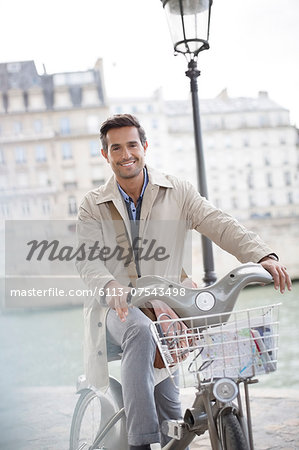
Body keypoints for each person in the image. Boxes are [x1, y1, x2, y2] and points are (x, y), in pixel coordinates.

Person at [76, 114, 292, 450]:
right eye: (115, 148)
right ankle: (140, 444)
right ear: (106, 155)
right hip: (118, 308)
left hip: (169, 306)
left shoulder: (178, 191)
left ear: (144, 147)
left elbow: (220, 224)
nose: (125, 154)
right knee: (139, 330)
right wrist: (109, 285)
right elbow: (87, 259)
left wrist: (262, 255)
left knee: (174, 418)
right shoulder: (93, 204)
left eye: (132, 144)